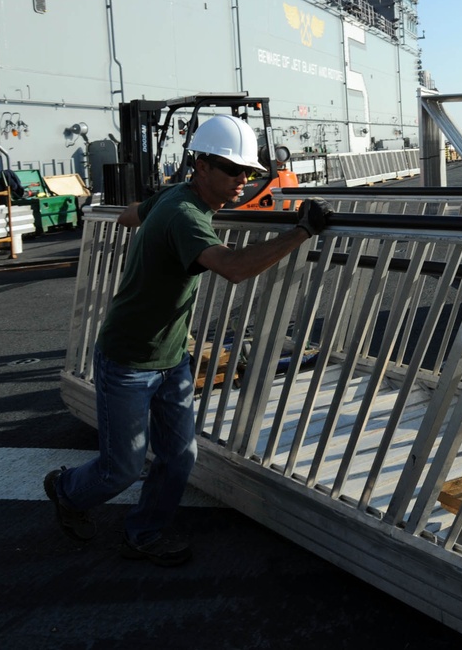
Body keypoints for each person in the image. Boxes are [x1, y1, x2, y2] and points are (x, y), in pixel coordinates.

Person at [43, 114, 333, 566]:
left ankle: (145, 532)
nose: (242, 179)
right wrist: (302, 231)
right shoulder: (183, 213)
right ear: (201, 165)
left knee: (179, 456)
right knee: (120, 468)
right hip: (129, 360)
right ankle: (65, 489)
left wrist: (149, 223)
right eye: (231, 169)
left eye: (249, 172)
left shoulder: (173, 198)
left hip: (172, 355)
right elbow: (234, 269)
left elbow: (125, 216)